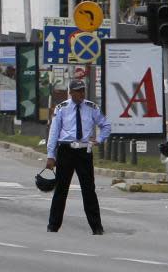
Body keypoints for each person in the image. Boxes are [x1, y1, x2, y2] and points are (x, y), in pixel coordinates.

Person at [45, 79, 111, 235]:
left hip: (84, 152)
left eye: (83, 90)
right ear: (71, 92)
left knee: (89, 190)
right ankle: (53, 225)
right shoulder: (62, 108)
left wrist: (99, 139)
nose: (81, 93)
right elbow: (54, 132)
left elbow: (106, 125)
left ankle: (97, 227)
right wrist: (50, 155)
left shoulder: (91, 107)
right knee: (61, 190)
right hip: (66, 150)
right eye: (78, 91)